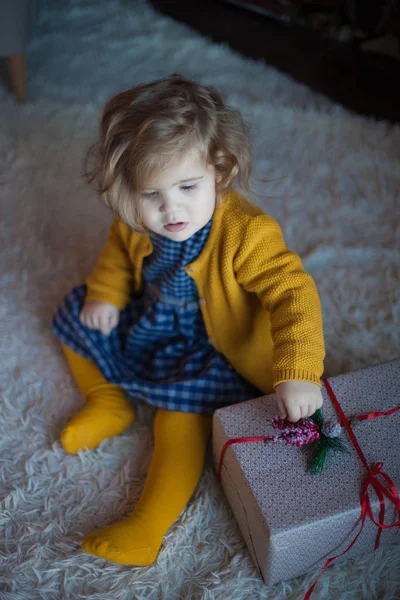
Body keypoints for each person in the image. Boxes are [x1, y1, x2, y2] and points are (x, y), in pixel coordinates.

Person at [52, 74, 325, 566]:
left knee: (179, 420)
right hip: (156, 320)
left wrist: (298, 370)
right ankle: (108, 401)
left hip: (217, 346)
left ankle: (147, 527)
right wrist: (107, 296)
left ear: (219, 172)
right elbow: (116, 255)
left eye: (186, 186)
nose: (170, 208)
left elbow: (293, 294)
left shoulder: (246, 232)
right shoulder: (134, 220)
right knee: (76, 313)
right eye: (150, 194)